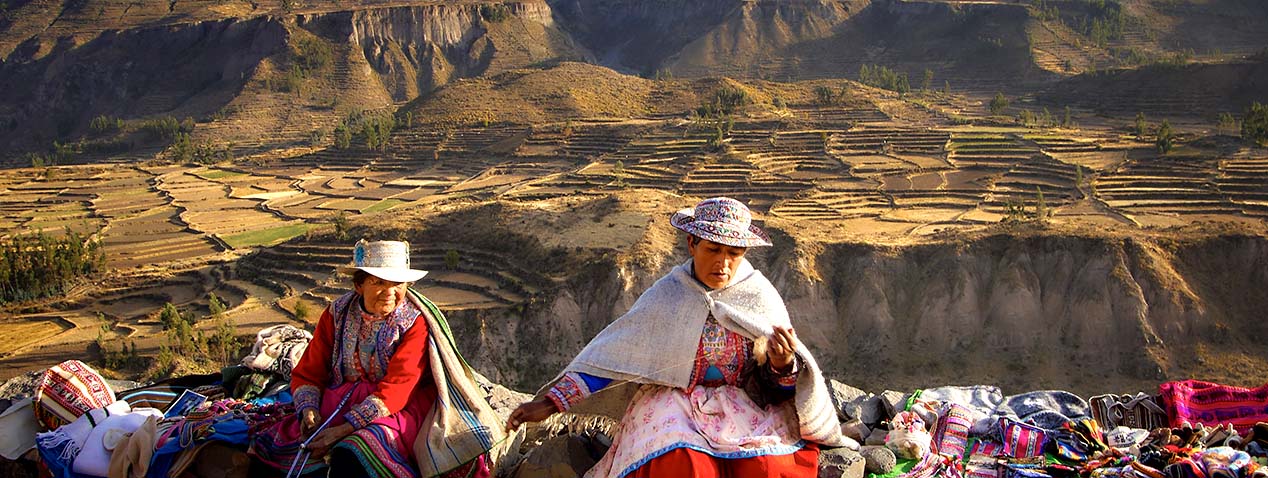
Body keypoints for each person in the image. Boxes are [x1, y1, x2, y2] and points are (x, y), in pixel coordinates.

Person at [507, 197, 856, 478]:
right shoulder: (667, 295)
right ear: (692, 243)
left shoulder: (758, 296)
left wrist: (782, 365)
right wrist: (551, 404)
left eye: (733, 253)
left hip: (739, 405)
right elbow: (614, 358)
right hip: (673, 404)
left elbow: (778, 390)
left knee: (765, 467)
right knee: (682, 464)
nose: (723, 263)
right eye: (713, 250)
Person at [251, 240, 503, 478]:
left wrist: (344, 429)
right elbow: (310, 369)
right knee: (277, 447)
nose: (390, 292)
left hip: (400, 406)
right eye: (378, 282)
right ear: (359, 285)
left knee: (355, 453)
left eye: (398, 284)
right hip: (342, 397)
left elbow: (399, 386)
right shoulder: (336, 315)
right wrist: (308, 410)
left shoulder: (413, 323)